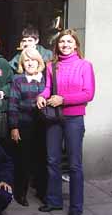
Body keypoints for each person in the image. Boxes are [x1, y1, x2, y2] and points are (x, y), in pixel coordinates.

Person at [37, 29, 95, 215]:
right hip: (53, 118)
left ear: (76, 45)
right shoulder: (51, 66)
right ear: (57, 45)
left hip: (74, 119)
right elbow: (47, 88)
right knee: (52, 161)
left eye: (69, 42)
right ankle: (54, 201)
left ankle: (76, 207)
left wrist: (63, 99)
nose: (65, 45)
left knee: (74, 164)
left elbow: (88, 93)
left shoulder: (85, 65)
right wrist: (41, 96)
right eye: (62, 42)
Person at [8, 48, 46, 206]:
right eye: (26, 60)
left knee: (42, 160)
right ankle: (20, 194)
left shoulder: (45, 79)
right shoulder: (18, 80)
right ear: (22, 63)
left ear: (39, 61)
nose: (30, 63)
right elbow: (12, 105)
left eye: (33, 60)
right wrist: (14, 127)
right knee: (23, 161)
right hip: (24, 125)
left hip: (43, 125)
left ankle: (43, 193)